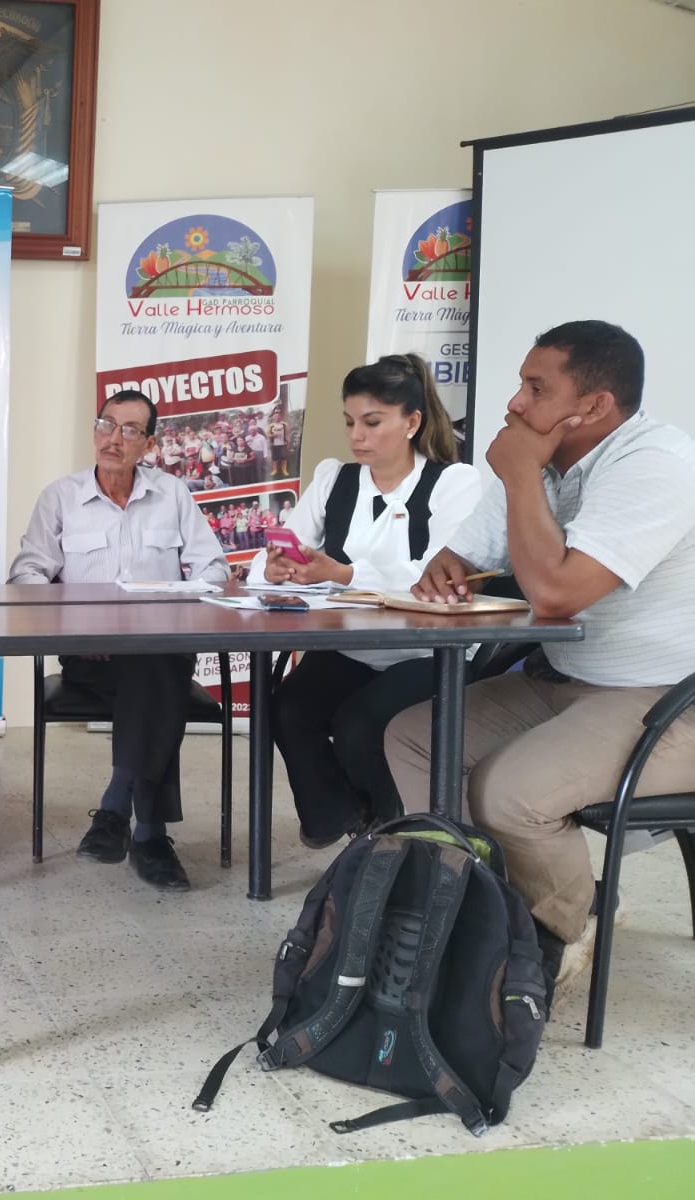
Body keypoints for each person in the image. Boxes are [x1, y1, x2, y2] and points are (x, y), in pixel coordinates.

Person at [386, 321, 695, 987]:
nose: (515, 403)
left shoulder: (655, 465)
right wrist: (449, 566)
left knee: (510, 793)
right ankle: (480, 910)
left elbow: (556, 595)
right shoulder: (544, 459)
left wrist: (522, 471)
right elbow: (462, 556)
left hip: (669, 698)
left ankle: (562, 930)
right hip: (571, 679)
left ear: (595, 406)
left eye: (536, 388)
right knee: (415, 738)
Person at [250, 353, 481, 847]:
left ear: (411, 422)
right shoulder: (334, 478)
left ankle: (386, 828)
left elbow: (434, 580)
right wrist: (277, 568)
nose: (356, 435)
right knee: (287, 708)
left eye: (372, 422)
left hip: (428, 651)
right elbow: (274, 558)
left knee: (360, 725)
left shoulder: (453, 483)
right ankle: (344, 816)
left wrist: (344, 573)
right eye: (350, 421)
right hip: (352, 644)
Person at [10, 389, 229, 889]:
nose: (114, 438)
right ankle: (150, 838)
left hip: (160, 651)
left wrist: (186, 595)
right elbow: (27, 575)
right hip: (92, 655)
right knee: (159, 682)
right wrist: (72, 626)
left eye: (130, 430)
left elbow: (214, 569)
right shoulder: (61, 497)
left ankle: (116, 808)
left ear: (149, 444)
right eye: (106, 424)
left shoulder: (172, 494)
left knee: (154, 665)